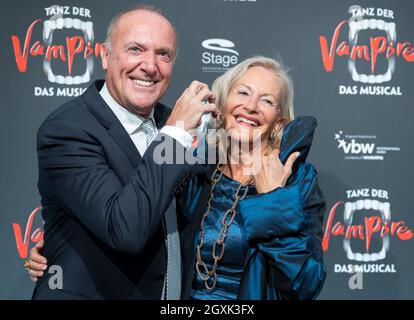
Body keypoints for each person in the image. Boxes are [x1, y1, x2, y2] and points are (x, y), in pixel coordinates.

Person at [29, 56, 327, 300]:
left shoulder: (295, 180)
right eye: (243, 93)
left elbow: (306, 283)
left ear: (279, 120)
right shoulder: (196, 167)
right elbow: (136, 218)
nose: (250, 106)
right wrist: (62, 247)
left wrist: (273, 202)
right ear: (222, 104)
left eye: (267, 101)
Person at [27, 4, 216, 300]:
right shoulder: (67, 129)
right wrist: (175, 133)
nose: (150, 66)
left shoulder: (178, 125)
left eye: (163, 54)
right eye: (135, 49)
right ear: (105, 55)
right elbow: (125, 229)